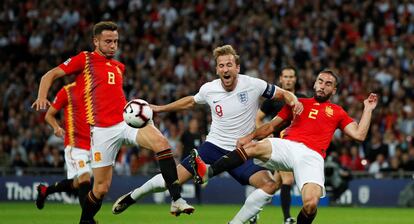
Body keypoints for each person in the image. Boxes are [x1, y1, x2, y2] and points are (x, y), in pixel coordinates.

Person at [112, 44, 303, 224]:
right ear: (217, 70)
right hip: (213, 147)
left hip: (242, 151)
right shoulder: (209, 89)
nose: (226, 69)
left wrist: (294, 101)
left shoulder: (254, 84)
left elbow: (284, 94)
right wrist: (160, 109)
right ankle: (133, 196)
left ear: (237, 67)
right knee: (171, 179)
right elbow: (190, 102)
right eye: (221, 66)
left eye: (229, 65)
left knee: (269, 185)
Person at [31, 21, 193, 224]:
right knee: (100, 189)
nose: (113, 45)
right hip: (102, 131)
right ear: (95, 41)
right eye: (108, 41)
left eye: (116, 41)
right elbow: (51, 74)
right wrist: (41, 95)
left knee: (161, 143)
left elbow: (116, 98)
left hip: (125, 122)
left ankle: (176, 198)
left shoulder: (118, 67)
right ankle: (85, 221)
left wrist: (143, 110)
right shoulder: (85, 59)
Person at [191, 69, 378, 224]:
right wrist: (250, 136)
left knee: (311, 204)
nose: (322, 85)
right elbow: (271, 127)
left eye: (328, 84)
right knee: (254, 147)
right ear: (314, 84)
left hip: (312, 156)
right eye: (320, 81)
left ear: (334, 90)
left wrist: (368, 109)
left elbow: (359, 135)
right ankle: (209, 172)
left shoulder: (337, 112)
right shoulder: (298, 103)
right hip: (287, 145)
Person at [256, 67, 306, 224]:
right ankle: (287, 219)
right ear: (280, 79)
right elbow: (257, 119)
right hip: (279, 146)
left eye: (291, 76)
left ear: (295, 79)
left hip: (296, 146)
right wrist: (265, 133)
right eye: (286, 76)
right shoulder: (273, 100)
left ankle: (252, 212)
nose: (289, 79)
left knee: (274, 185)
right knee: (288, 179)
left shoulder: (303, 99)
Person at [35, 82, 92, 211]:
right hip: (75, 143)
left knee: (77, 183)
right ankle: (87, 220)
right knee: (84, 178)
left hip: (92, 144)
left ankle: (46, 191)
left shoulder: (96, 90)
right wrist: (56, 127)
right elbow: (49, 115)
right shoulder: (67, 91)